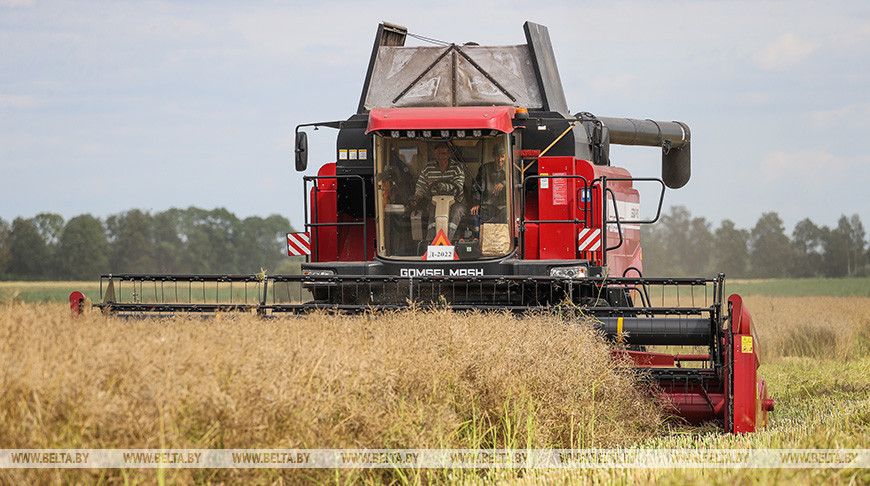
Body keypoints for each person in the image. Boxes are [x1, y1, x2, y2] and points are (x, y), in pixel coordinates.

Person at [410, 143, 466, 241]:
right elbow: (421, 186)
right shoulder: (428, 168)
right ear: (435, 155)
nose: (441, 157)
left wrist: (439, 185)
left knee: (456, 211)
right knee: (433, 211)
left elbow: (459, 187)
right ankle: (431, 242)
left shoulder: (457, 168)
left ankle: (446, 242)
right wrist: (417, 196)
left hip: (456, 202)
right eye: (438, 154)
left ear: (449, 154)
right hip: (434, 202)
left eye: (444, 154)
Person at [471, 145, 508, 223]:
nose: (500, 159)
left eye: (502, 156)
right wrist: (476, 203)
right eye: (497, 156)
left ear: (506, 156)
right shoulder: (485, 169)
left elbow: (514, 182)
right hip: (487, 205)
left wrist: (503, 183)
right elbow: (476, 186)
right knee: (477, 214)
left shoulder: (509, 169)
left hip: (503, 206)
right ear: (493, 155)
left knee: (506, 216)